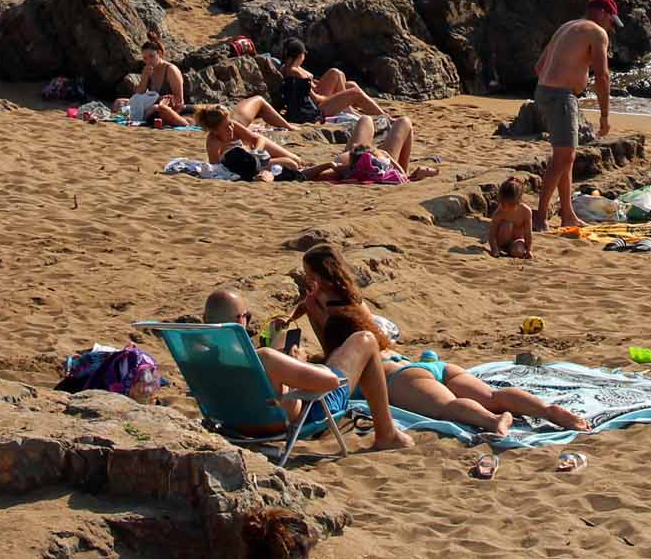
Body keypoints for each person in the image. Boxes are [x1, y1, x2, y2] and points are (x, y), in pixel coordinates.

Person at [291, 245, 586, 436]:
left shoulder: (323, 308)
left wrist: (309, 309)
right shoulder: (355, 300)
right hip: (417, 363)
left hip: (398, 377)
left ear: (317, 277)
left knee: (449, 407)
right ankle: (551, 412)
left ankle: (492, 422)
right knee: (492, 396)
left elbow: (334, 356)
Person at [203, 286, 411, 453]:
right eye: (246, 315)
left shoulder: (197, 357)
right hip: (298, 416)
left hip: (235, 423)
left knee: (285, 338)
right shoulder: (264, 359)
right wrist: (299, 363)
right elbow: (330, 383)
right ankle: (387, 435)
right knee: (364, 340)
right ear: (240, 320)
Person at [531, 0, 615, 230]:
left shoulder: (567, 27)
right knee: (564, 158)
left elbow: (539, 67)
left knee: (566, 157)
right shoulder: (597, 33)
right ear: (602, 14)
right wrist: (605, 115)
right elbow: (603, 76)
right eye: (610, 20)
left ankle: (567, 214)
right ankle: (540, 216)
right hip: (561, 95)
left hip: (544, 92)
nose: (610, 26)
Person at [124, 39, 190, 128]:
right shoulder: (149, 70)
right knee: (119, 103)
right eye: (145, 58)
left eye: (151, 56)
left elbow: (179, 100)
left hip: (169, 108)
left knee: (154, 109)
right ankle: (128, 118)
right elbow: (140, 93)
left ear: (160, 54)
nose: (148, 61)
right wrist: (144, 77)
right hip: (152, 104)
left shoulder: (170, 70)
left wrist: (163, 100)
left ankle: (135, 119)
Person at [486, 177, 533, 259]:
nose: (505, 208)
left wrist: (529, 249)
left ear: (518, 201)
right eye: (503, 204)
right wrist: (494, 248)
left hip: (517, 240)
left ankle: (513, 251)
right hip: (502, 241)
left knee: (518, 252)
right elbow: (492, 234)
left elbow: (528, 233)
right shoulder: (499, 213)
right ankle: (501, 249)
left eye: (510, 205)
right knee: (507, 225)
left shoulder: (526, 211)